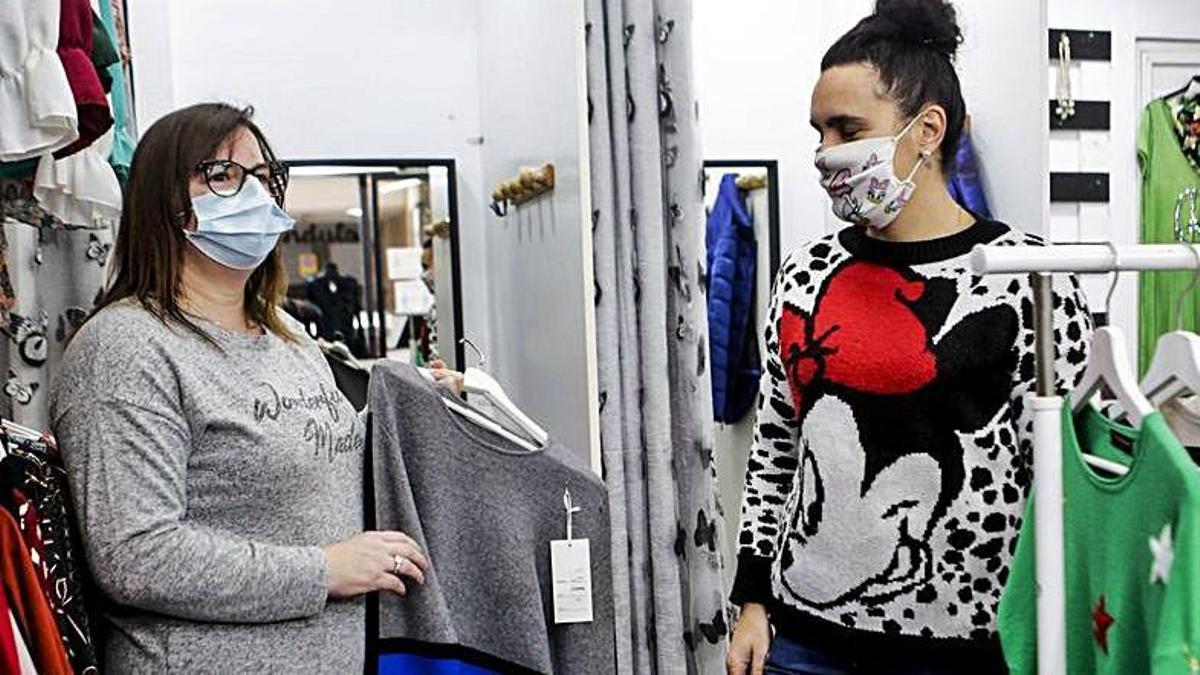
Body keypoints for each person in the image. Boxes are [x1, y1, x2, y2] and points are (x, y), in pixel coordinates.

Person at [725, 1, 1094, 673]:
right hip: (806, 641)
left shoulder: (1027, 277)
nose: (824, 153)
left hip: (970, 651)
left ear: (927, 130)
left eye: (847, 128)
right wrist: (751, 601)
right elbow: (777, 444)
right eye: (818, 131)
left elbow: (1067, 475)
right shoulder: (807, 272)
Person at [49, 103, 450, 672]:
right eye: (223, 175)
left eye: (264, 176)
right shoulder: (125, 348)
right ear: (167, 202)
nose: (255, 194)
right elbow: (135, 555)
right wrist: (325, 570)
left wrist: (425, 404)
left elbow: (318, 451)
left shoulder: (284, 334)